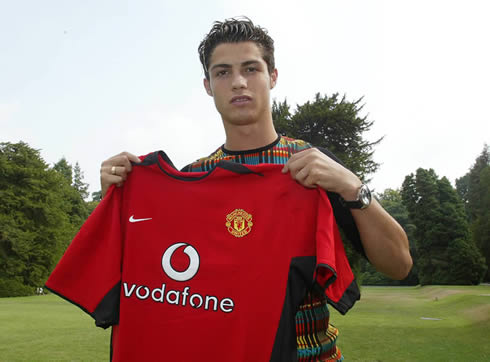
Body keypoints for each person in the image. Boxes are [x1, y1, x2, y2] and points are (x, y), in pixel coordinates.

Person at [99, 17, 412, 361]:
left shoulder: (313, 167)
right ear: (207, 85)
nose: (237, 83)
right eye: (222, 72)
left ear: (272, 76)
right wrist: (117, 203)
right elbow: (149, 283)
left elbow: (399, 265)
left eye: (251, 69)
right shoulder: (192, 179)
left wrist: (353, 186)